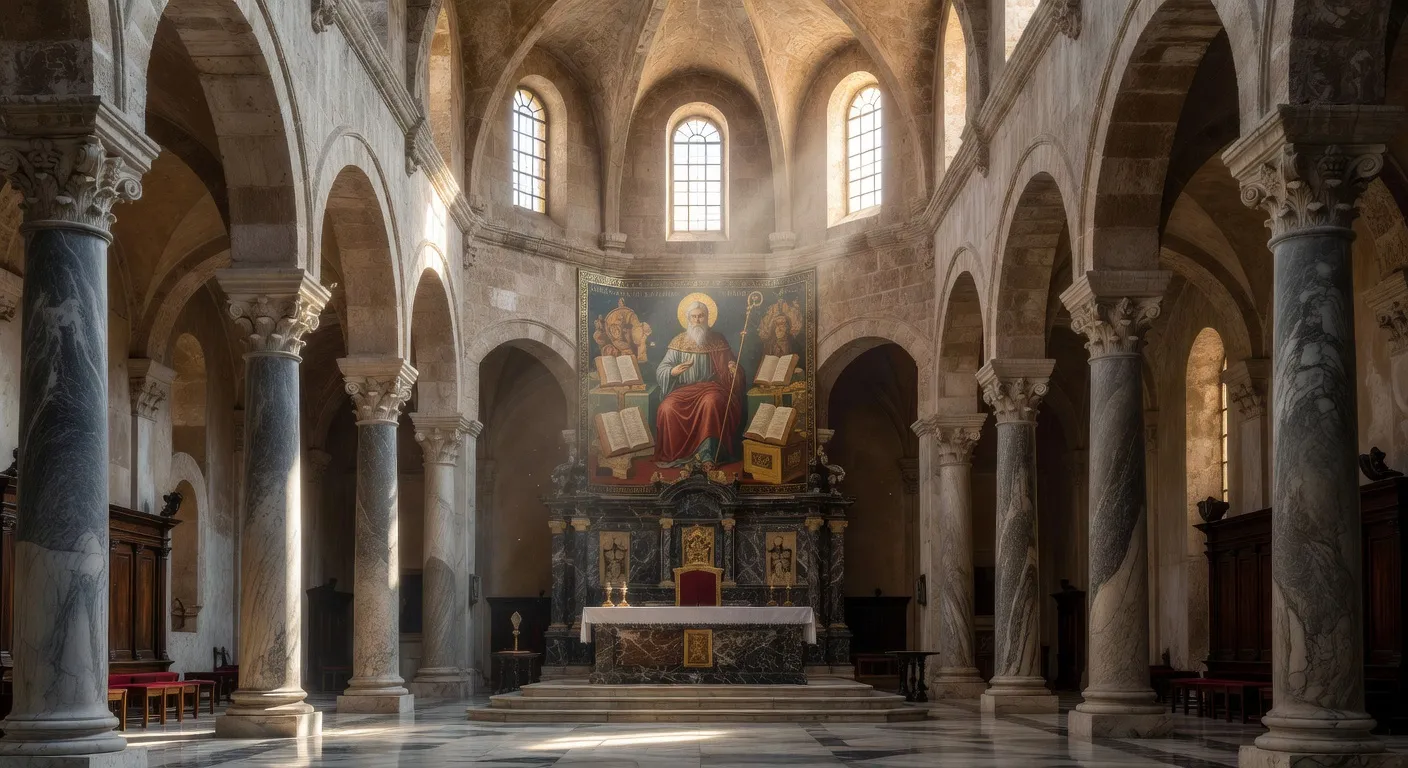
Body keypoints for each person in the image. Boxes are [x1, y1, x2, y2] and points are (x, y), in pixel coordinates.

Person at [654, 300, 745, 465]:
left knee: (711, 402)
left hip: (711, 388)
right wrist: (673, 371)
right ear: (688, 319)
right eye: (693, 317)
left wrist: (733, 368)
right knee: (666, 408)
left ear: (707, 318)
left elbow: (730, 366)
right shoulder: (679, 341)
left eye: (700, 316)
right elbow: (662, 369)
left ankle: (707, 455)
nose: (697, 320)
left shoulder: (717, 339)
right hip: (683, 389)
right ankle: (676, 455)